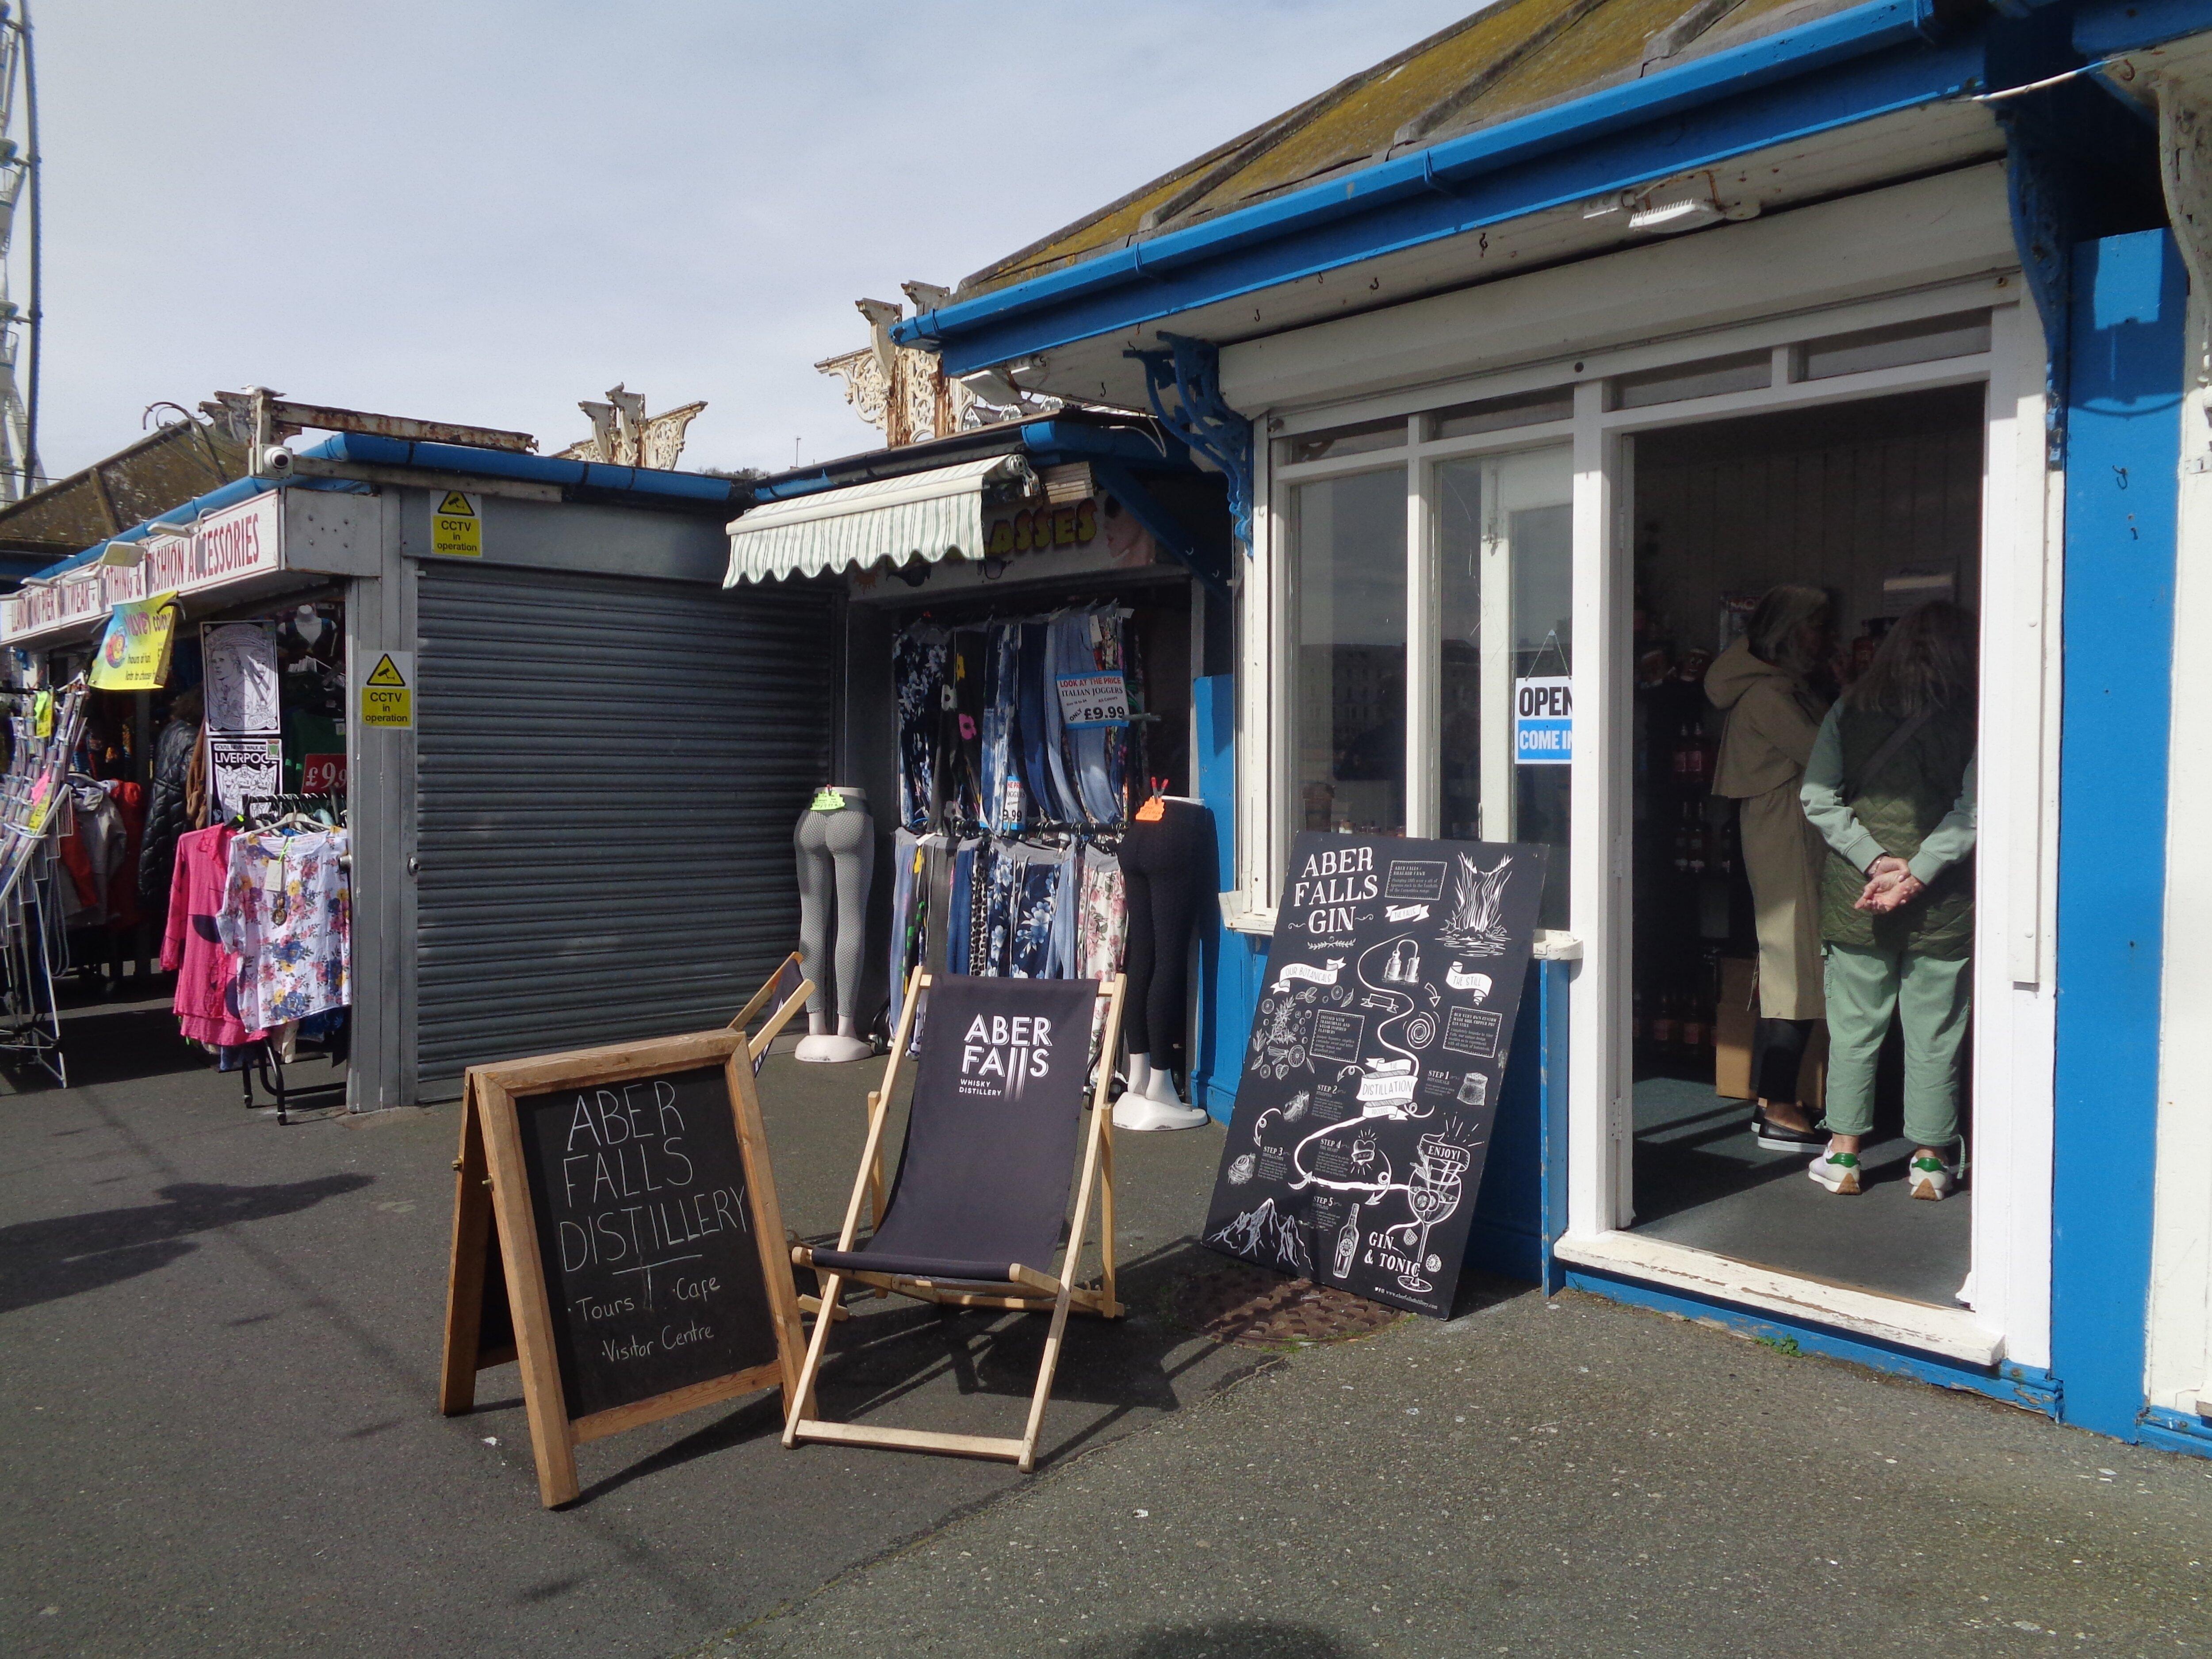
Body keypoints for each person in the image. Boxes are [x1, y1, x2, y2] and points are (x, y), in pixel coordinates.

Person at [1799, 601, 1977, 1200]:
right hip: (1943, 901)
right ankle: (1929, 1162)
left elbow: (1818, 798)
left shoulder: (1848, 708)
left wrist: (1876, 863)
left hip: (1860, 895)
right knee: (1934, 1032)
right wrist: (1917, 873)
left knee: (1853, 1029)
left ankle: (1845, 1156)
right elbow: (1974, 809)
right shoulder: (1977, 714)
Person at [1706, 585, 1834, 1150]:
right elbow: (1829, 754)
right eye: (1813, 626)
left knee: (1791, 958)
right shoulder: (1769, 697)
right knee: (1795, 961)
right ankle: (1779, 1104)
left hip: (1785, 829)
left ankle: (1771, 1097)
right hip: (1786, 832)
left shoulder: (1776, 689)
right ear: (1787, 632)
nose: (1821, 638)